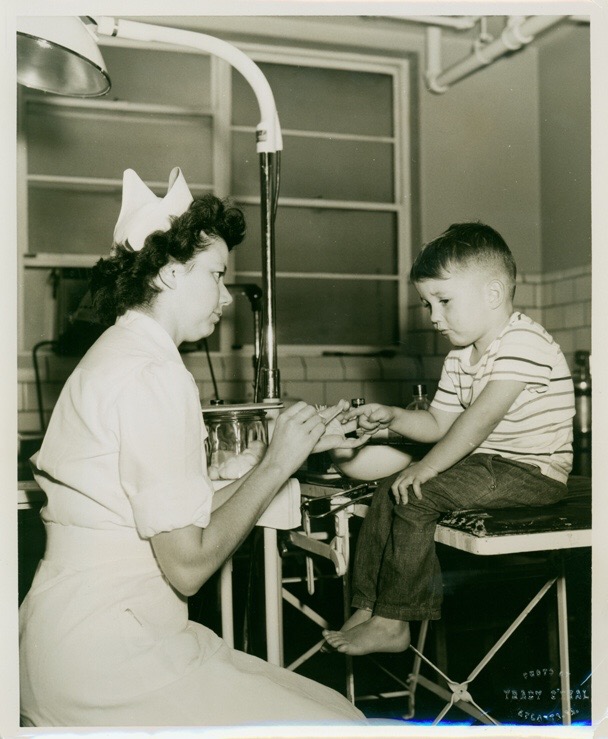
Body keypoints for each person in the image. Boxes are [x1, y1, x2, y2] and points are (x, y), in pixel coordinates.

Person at [19, 167, 368, 727]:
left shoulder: (123, 350)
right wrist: (276, 462)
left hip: (78, 635)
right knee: (341, 726)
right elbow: (188, 566)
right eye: (217, 274)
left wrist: (289, 455)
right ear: (170, 273)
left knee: (332, 710)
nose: (226, 297)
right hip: (108, 657)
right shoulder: (153, 374)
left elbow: (178, 512)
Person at [322, 222, 575, 657]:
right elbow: (439, 423)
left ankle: (394, 622)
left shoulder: (523, 341)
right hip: (489, 466)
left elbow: (478, 421)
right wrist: (393, 417)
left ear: (493, 294)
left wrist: (428, 466)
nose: (433, 317)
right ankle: (368, 608)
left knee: (415, 493)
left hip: (533, 472)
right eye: (427, 304)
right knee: (390, 490)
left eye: (444, 301)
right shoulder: (461, 356)